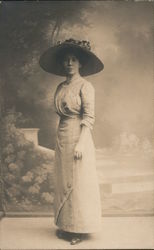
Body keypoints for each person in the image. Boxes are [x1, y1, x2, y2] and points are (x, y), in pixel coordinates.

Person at [39, 38, 104, 245]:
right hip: (62, 136)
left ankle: (78, 228)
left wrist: (81, 143)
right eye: (66, 60)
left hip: (78, 135)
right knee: (63, 180)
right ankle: (66, 225)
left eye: (73, 59)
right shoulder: (61, 86)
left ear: (80, 63)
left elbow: (89, 117)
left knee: (78, 182)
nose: (69, 63)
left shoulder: (86, 86)